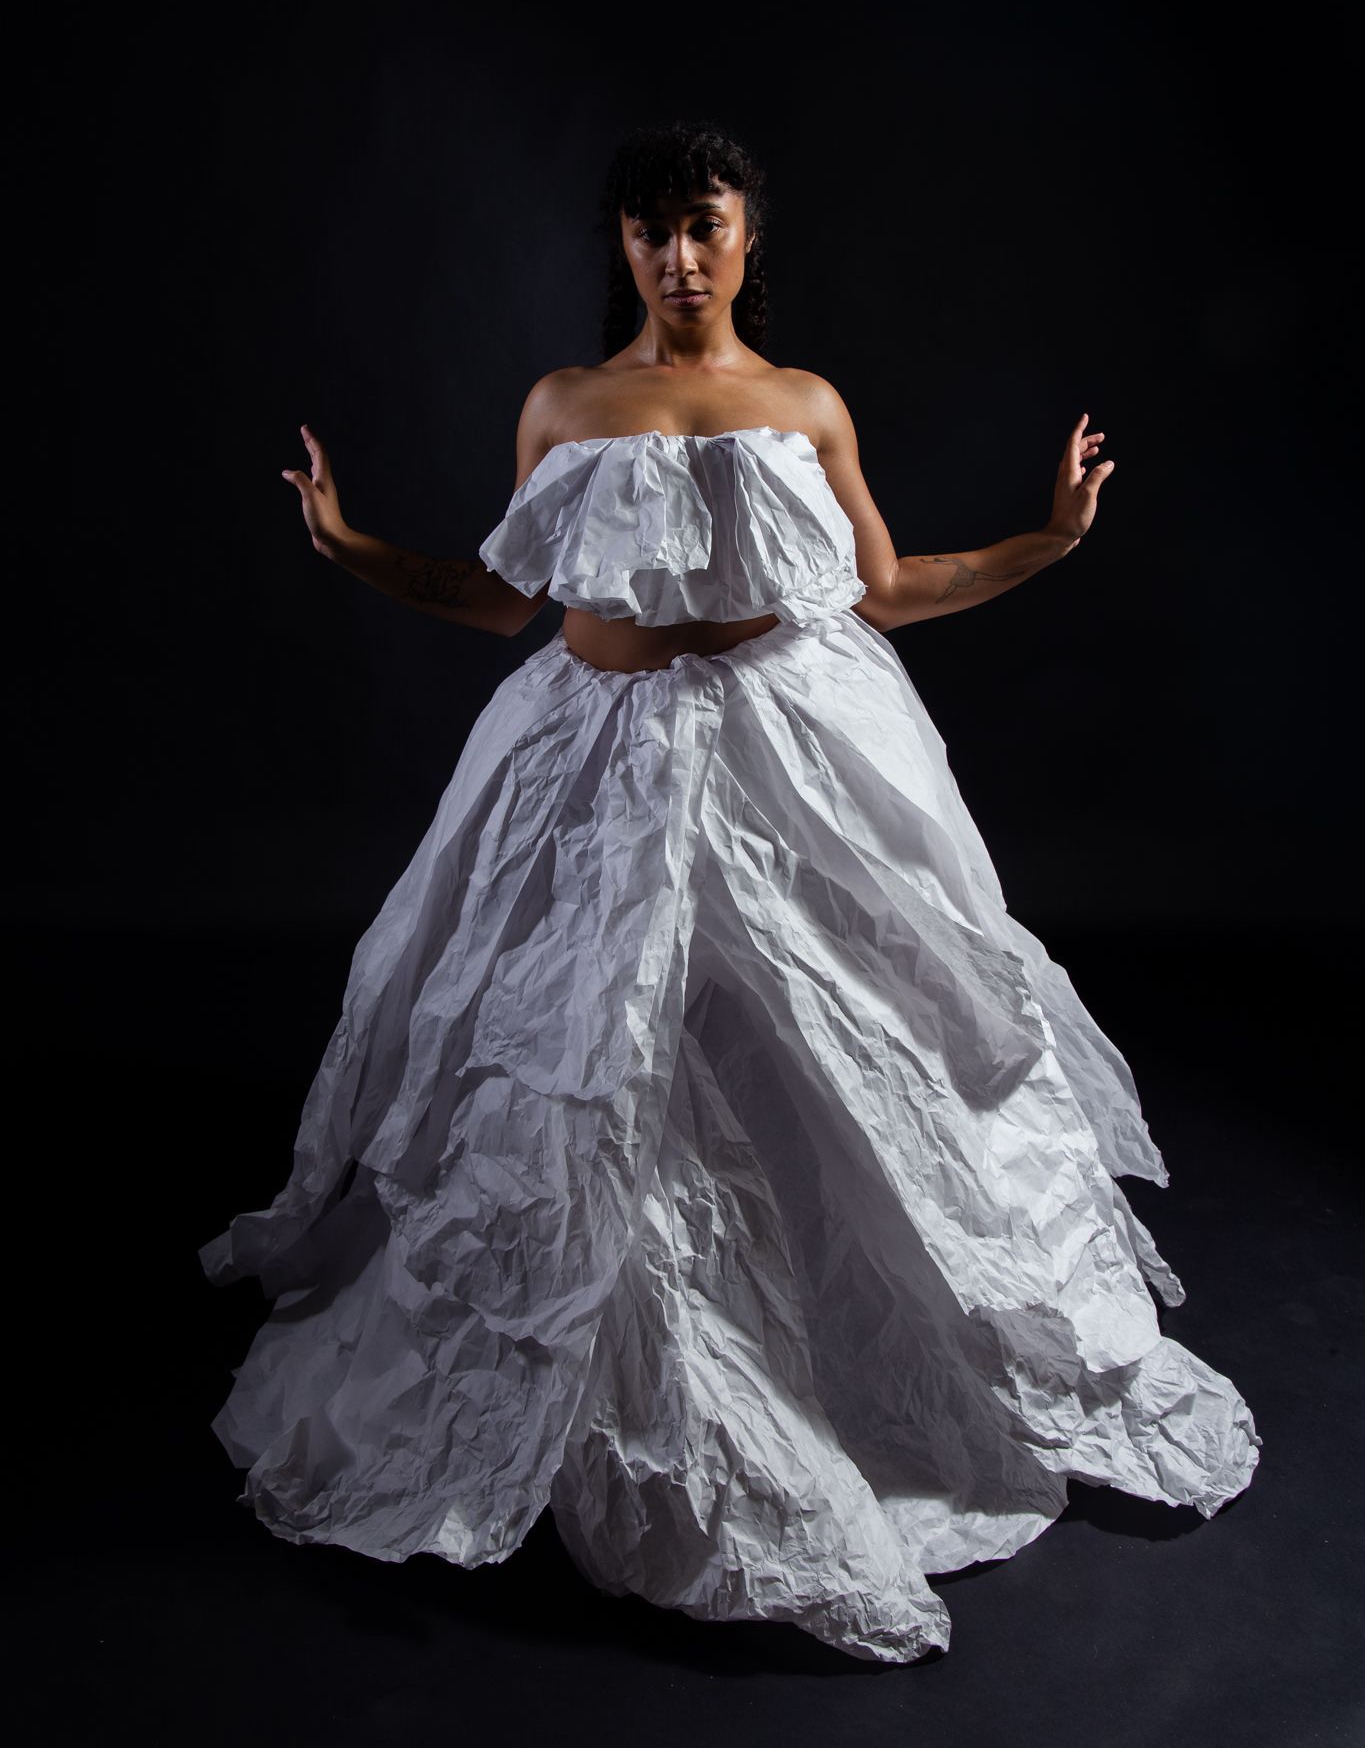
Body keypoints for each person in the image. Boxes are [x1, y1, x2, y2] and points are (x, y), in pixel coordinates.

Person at [199, 118, 1259, 1666]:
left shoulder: (804, 405)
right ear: (621, 247)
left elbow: (884, 589)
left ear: (748, 237)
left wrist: (1050, 538)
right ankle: (590, 1382)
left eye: (701, 225)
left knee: (822, 1048)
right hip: (594, 754)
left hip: (783, 751)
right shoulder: (566, 405)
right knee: (580, 1061)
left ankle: (842, 1369)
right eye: (648, 230)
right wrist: (349, 544)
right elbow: (507, 603)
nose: (677, 257)